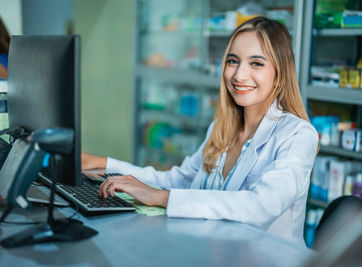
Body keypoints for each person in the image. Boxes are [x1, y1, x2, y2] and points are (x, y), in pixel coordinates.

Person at [82, 16, 319, 246]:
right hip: (211, 252)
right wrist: (105, 164)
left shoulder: (298, 134)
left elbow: (262, 205)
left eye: (256, 63)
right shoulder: (221, 128)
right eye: (232, 61)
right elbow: (176, 181)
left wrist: (162, 198)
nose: (238, 75)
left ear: (280, 74)